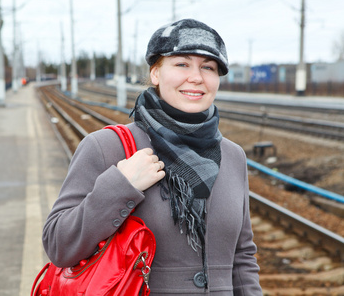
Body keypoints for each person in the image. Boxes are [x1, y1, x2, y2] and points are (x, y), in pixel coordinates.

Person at [42, 18, 262, 295]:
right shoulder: (106, 146)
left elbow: (242, 258)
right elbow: (58, 245)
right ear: (156, 73)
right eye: (182, 64)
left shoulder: (233, 156)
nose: (196, 77)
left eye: (208, 67)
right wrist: (121, 185)